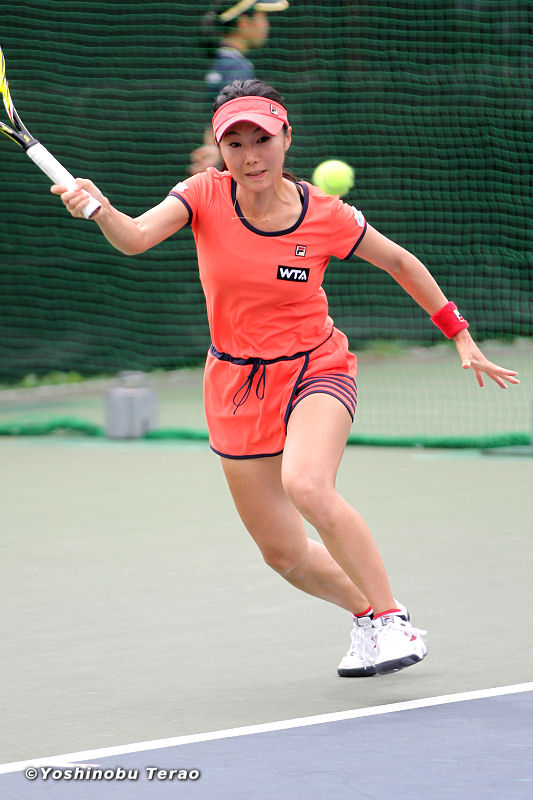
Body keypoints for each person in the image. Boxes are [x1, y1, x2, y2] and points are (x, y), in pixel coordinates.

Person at [51, 79, 519, 678]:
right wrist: (99, 208)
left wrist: (459, 334)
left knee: (307, 485)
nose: (250, 156)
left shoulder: (325, 215)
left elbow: (399, 261)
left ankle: (392, 619)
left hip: (315, 368)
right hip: (235, 384)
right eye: (235, 143)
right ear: (220, 149)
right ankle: (365, 617)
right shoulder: (202, 194)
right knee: (283, 553)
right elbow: (136, 238)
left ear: (286, 138)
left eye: (262, 140)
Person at [190, 0, 288, 175]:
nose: (266, 25)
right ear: (244, 22)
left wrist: (213, 152)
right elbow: (240, 126)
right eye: (262, 17)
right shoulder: (238, 68)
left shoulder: (222, 63)